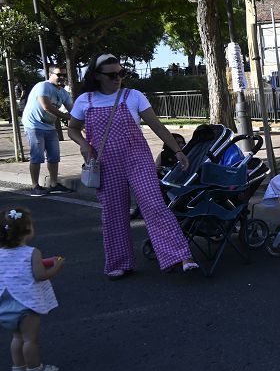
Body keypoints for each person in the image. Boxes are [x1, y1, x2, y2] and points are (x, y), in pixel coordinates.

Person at [66, 54, 197, 280]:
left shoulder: (133, 96)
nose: (118, 78)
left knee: (154, 205)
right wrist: (84, 145)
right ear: (97, 76)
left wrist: (177, 150)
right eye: (112, 75)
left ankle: (182, 256)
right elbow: (73, 129)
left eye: (121, 73)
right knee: (113, 213)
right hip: (105, 163)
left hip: (137, 158)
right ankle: (120, 262)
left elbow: (156, 125)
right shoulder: (85, 101)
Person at [0, 207, 65, 371]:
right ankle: (34, 369)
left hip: (5, 303)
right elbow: (40, 275)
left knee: (17, 337)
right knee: (30, 339)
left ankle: (18, 367)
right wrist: (57, 265)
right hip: (26, 303)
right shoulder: (32, 252)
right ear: (27, 231)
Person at [21, 65, 74, 196]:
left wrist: (81, 121)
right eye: (59, 75)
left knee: (54, 156)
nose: (62, 78)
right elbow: (46, 107)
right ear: (50, 75)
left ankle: (54, 184)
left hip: (49, 126)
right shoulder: (43, 86)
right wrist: (68, 117)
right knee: (37, 156)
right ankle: (35, 186)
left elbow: (73, 110)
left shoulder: (64, 93)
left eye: (64, 75)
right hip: (34, 125)